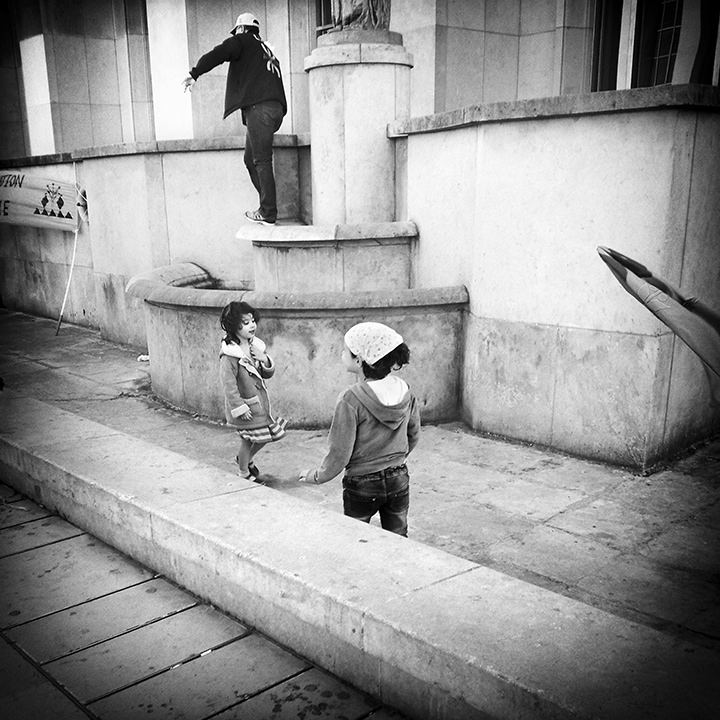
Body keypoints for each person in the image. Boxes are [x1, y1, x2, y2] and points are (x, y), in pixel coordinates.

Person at [298, 322, 421, 536]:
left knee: (356, 538)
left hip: (362, 483)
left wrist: (318, 476)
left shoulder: (351, 398)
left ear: (360, 359)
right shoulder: (405, 390)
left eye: (346, 350)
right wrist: (395, 458)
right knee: (399, 537)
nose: (342, 353)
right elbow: (414, 434)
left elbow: (340, 452)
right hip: (398, 477)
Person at [182, 13, 287, 226]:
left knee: (261, 160)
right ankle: (266, 206)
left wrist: (195, 73)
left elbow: (218, 53)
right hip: (275, 110)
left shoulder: (242, 41)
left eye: (237, 31)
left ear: (241, 29)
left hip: (260, 109)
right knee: (251, 159)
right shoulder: (266, 48)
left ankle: (268, 212)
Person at [219, 300, 286, 481]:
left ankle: (244, 459)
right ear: (234, 326)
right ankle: (243, 472)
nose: (252, 326)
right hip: (246, 407)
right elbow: (229, 385)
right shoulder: (230, 355)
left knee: (264, 437)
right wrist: (239, 407)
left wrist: (265, 359)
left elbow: (264, 374)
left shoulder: (254, 347)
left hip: (259, 404)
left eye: (252, 321)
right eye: (246, 323)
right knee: (248, 439)